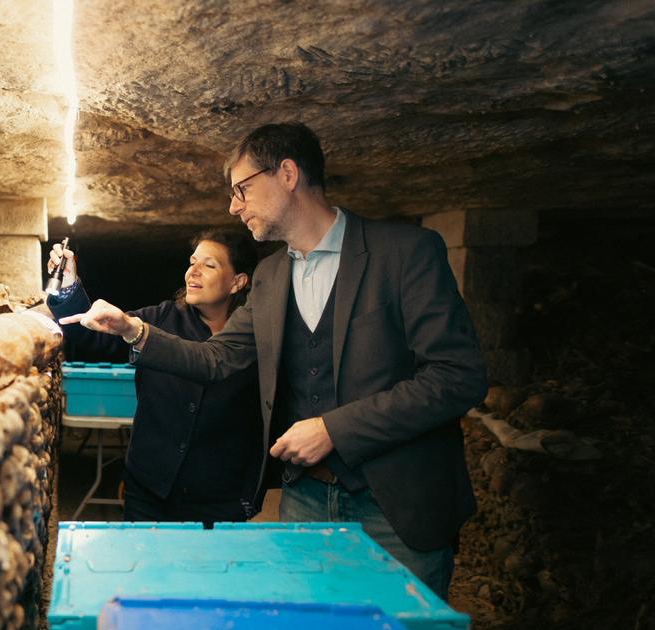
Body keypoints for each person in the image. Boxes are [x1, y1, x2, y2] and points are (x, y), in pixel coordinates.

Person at [61, 122, 487, 598]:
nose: (233, 205)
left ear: (287, 173)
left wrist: (333, 429)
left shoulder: (405, 253)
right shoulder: (272, 274)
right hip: (305, 498)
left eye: (242, 188)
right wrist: (132, 329)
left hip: (396, 506)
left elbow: (457, 377)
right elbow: (218, 359)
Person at [48, 230, 263, 526]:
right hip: (150, 492)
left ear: (238, 281)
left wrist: (252, 492)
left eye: (209, 265)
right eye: (192, 262)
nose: (193, 272)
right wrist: (69, 285)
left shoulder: (256, 339)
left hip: (220, 498)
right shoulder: (161, 319)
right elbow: (95, 334)